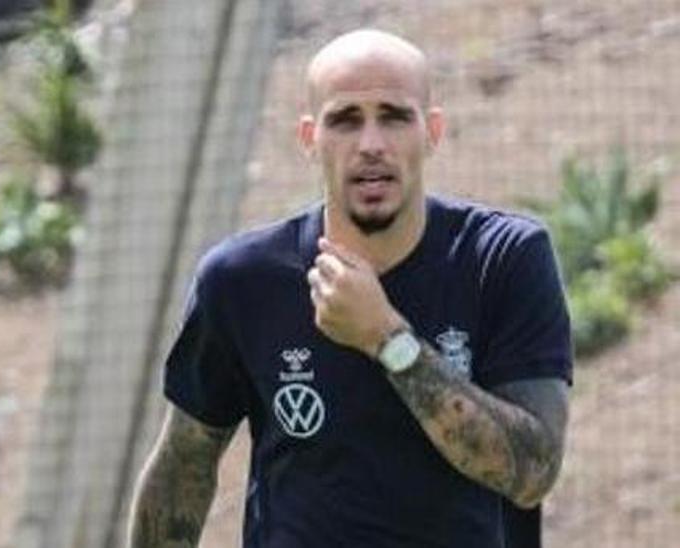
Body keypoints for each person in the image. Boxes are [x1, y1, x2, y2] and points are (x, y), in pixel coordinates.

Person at [128, 29, 570, 547]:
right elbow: (183, 472)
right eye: (345, 120)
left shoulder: (502, 258)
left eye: (394, 116)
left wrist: (387, 339)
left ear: (431, 131)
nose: (371, 145)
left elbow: (533, 473)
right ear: (310, 139)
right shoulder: (241, 280)